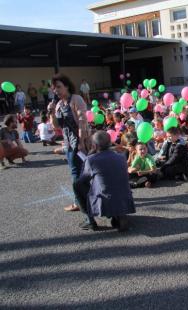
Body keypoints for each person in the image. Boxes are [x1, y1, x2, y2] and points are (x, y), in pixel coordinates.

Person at [74, 131, 135, 231]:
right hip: (124, 197)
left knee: (77, 185)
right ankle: (119, 215)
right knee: (110, 181)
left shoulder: (91, 159)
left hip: (106, 200)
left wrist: (89, 154)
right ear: (110, 143)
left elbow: (82, 180)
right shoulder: (121, 157)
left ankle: (90, 220)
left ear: (94, 145)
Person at [48, 73, 90, 212]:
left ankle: (79, 202)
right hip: (68, 144)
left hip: (80, 142)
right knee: (79, 172)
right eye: (54, 88)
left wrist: (82, 142)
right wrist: (52, 112)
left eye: (59, 87)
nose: (56, 90)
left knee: (77, 173)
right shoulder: (59, 104)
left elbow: (83, 121)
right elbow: (56, 127)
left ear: (66, 86)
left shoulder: (76, 99)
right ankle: (84, 200)